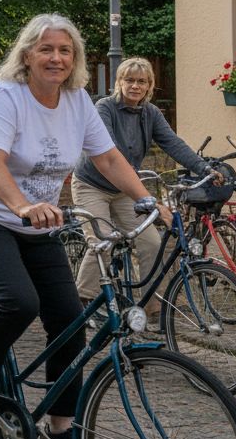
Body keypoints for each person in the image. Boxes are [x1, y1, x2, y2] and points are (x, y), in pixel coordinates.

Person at [0, 15, 171, 439]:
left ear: (75, 58)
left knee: (69, 320)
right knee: (18, 300)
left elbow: (107, 157)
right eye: (46, 49)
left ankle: (60, 426)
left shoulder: (77, 100)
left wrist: (145, 200)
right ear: (27, 54)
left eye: (65, 50)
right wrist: (23, 205)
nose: (56, 58)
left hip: (37, 224)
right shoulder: (5, 96)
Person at [71, 56, 219, 324]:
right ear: (119, 82)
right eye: (129, 80)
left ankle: (152, 308)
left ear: (149, 85)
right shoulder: (104, 107)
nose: (135, 86)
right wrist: (143, 193)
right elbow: (110, 152)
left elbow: (173, 143)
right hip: (92, 185)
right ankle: (81, 301)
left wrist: (203, 168)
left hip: (124, 190)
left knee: (151, 242)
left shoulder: (151, 113)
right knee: (102, 242)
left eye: (141, 81)